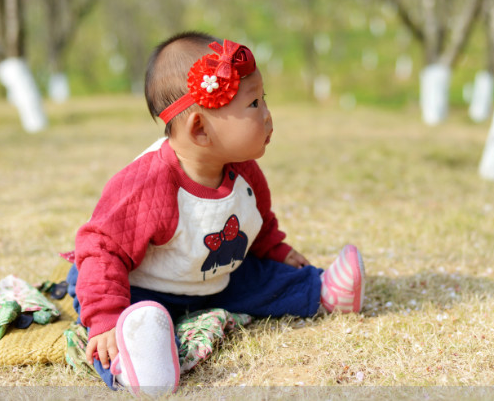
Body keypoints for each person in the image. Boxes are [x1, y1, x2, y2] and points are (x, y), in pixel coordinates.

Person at [64, 31, 365, 396]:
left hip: (216, 276)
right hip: (140, 285)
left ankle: (322, 290)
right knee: (126, 322)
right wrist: (105, 317)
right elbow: (101, 247)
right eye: (254, 105)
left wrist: (277, 250)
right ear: (200, 129)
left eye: (263, 99)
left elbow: (257, 220)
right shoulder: (148, 184)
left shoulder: (243, 170)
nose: (268, 116)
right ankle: (135, 364)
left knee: (261, 280)